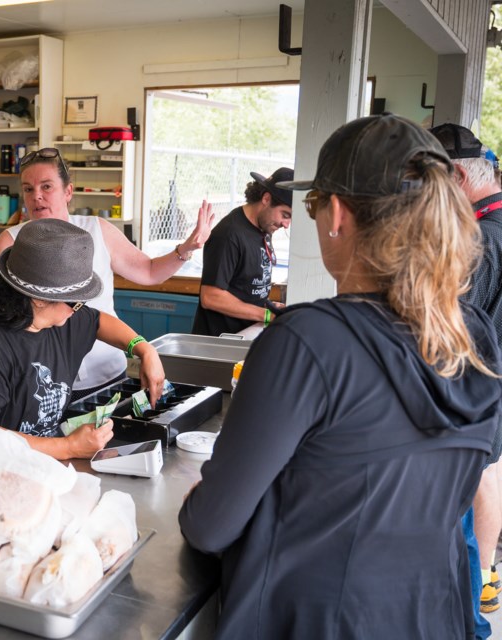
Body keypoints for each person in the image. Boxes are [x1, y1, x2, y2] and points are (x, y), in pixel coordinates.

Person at [178, 114, 502, 639]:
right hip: (432, 617)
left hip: (316, 621)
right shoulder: (474, 339)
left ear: (335, 213)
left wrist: (200, 495)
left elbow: (211, 526)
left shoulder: (309, 342)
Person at [0, 218, 167, 460]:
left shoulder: (60, 320)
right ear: (38, 298)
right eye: (76, 302)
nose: (79, 310)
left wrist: (144, 349)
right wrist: (68, 447)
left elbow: (99, 321)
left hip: (33, 469)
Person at [0, 147, 211, 398]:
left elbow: (149, 272)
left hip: (105, 371)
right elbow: (7, 314)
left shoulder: (97, 230)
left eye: (46, 187)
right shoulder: (11, 242)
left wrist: (186, 249)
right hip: (44, 381)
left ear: (68, 191)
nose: (36, 196)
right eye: (28, 189)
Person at [431, 122, 502, 629]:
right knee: (488, 477)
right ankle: (483, 586)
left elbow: (452, 331)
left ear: (457, 175)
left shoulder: (479, 239)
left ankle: (472, 602)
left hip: (472, 392)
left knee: (461, 510)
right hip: (491, 393)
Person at [190, 167, 293, 336]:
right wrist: (266, 315)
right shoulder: (229, 234)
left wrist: (269, 307)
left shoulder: (265, 227)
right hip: (220, 343)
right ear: (266, 198)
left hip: (246, 333)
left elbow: (245, 287)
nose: (286, 224)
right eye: (285, 214)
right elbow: (210, 297)